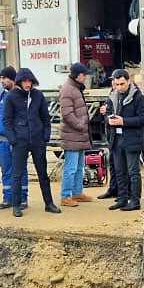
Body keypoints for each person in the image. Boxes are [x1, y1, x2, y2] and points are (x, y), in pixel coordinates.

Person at [3, 68, 60, 216]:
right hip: (19, 141)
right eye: (25, 81)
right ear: (19, 82)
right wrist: (13, 139)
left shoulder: (38, 95)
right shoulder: (11, 97)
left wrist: (45, 136)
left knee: (43, 173)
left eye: (30, 81)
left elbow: (45, 118)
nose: (28, 84)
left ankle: (49, 203)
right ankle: (16, 206)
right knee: (17, 174)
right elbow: (7, 121)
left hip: (37, 140)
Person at [103, 69, 144, 212]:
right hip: (116, 139)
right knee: (119, 170)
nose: (119, 87)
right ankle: (122, 199)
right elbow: (107, 113)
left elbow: (143, 118)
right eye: (116, 84)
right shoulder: (113, 96)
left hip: (132, 139)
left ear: (129, 81)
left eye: (122, 84)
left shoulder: (138, 97)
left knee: (133, 172)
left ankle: (135, 200)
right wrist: (109, 119)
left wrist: (124, 121)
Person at [0, 66, 29, 211]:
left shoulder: (21, 95)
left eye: (5, 78)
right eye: (1, 78)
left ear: (13, 79)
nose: (2, 81)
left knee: (21, 169)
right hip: (2, 139)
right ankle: (8, 197)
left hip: (17, 140)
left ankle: (22, 198)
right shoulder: (0, 94)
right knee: (6, 170)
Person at [58, 62, 93, 207]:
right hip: (72, 135)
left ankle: (77, 193)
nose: (86, 78)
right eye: (84, 75)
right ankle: (66, 196)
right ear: (78, 75)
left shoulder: (75, 88)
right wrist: (80, 124)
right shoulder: (68, 89)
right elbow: (67, 114)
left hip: (79, 136)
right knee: (71, 168)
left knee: (79, 167)